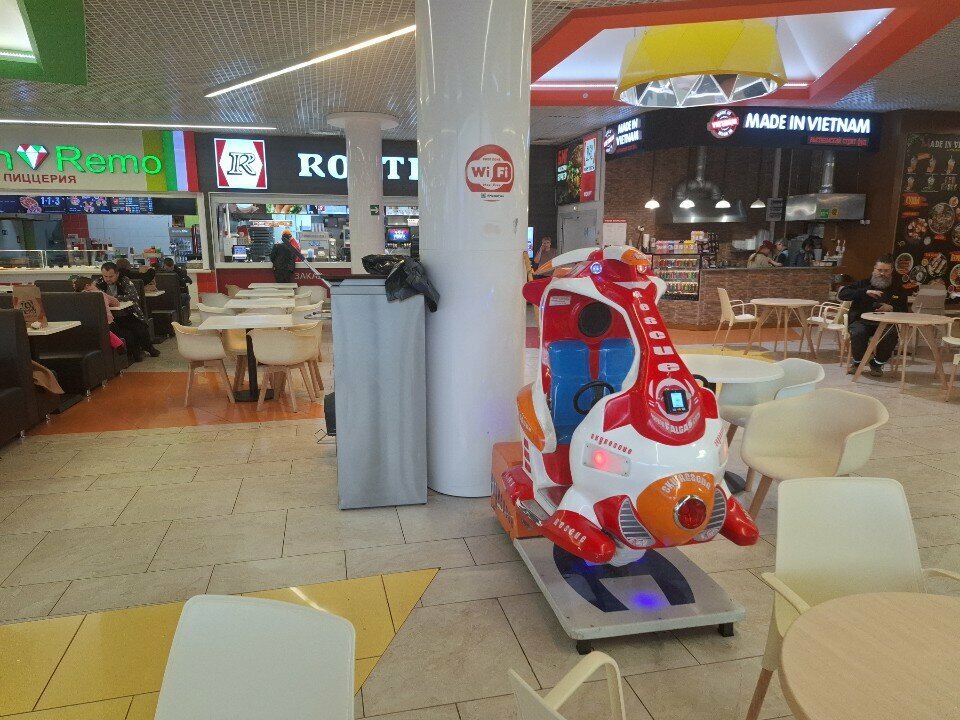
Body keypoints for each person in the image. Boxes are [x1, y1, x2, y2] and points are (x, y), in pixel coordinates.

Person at [837, 254, 908, 377]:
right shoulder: (863, 284)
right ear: (874, 270)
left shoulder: (898, 288)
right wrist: (864, 292)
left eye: (886, 271)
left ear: (891, 271)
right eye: (879, 270)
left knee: (891, 334)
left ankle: (876, 363)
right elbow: (842, 294)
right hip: (861, 320)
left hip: (886, 323)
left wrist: (891, 308)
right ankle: (857, 363)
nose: (882, 273)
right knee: (859, 332)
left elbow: (904, 310)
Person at [95, 261, 160, 361]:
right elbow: (98, 298)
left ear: (117, 274)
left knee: (140, 328)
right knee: (127, 333)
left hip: (128, 313)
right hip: (110, 317)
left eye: (111, 276)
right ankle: (134, 353)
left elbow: (133, 297)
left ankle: (149, 348)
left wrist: (113, 298)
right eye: (105, 276)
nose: (108, 279)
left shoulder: (125, 280)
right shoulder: (98, 283)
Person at [158, 257, 192, 323]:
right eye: (169, 267)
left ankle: (184, 318)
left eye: (171, 267)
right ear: (164, 265)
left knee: (185, 296)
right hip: (168, 297)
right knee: (186, 296)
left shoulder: (178, 271)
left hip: (166, 297)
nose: (170, 269)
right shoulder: (169, 273)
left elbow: (189, 281)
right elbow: (185, 282)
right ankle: (184, 318)